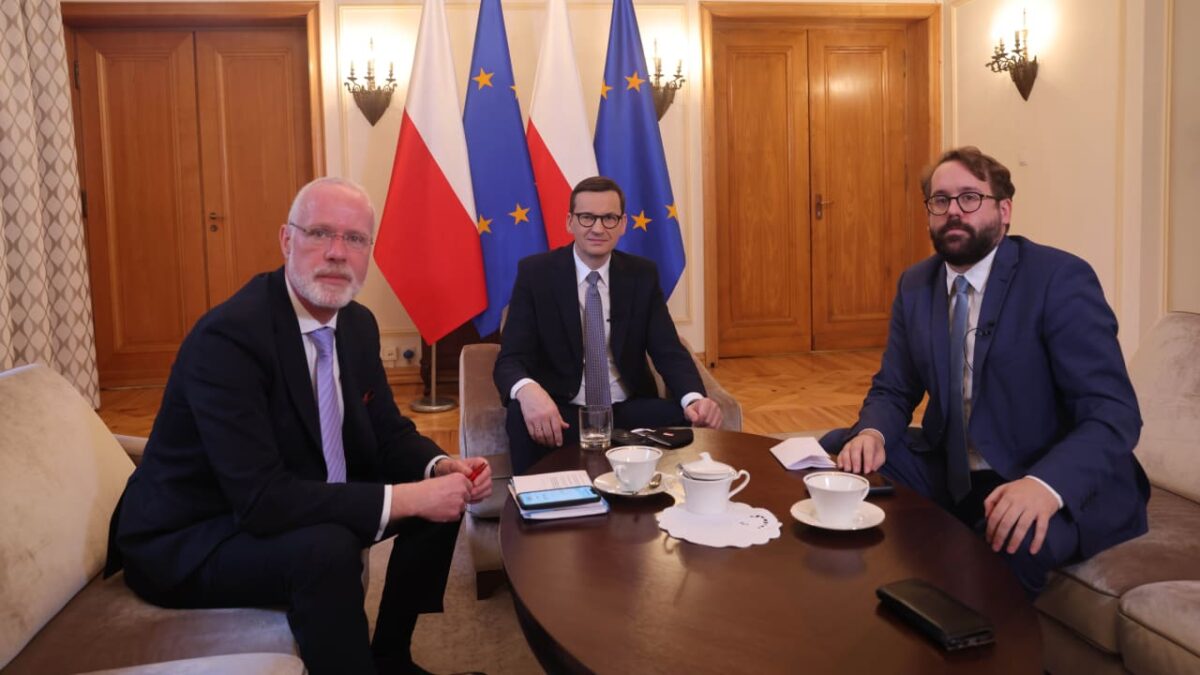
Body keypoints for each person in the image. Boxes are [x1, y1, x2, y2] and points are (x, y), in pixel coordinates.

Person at [104, 177, 492, 675]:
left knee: (445, 497)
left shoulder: (357, 324)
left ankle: (392, 657)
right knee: (327, 548)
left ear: (368, 253)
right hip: (196, 535)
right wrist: (406, 498)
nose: (337, 253)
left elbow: (387, 432)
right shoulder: (228, 338)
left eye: (354, 239)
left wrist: (439, 467)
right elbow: (261, 500)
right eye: (320, 233)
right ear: (286, 240)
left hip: (295, 489)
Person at [822, 146, 1149, 595]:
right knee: (838, 453)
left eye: (970, 197)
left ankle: (972, 635)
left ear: (1004, 211)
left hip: (1044, 469)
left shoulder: (1058, 279)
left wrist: (1044, 484)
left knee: (1014, 538)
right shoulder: (916, 284)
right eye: (940, 200)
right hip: (957, 468)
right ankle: (855, 595)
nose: (954, 211)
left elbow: (1113, 414)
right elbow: (894, 389)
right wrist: (872, 435)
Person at [494, 176, 723, 473]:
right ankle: (533, 498)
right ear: (570, 222)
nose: (598, 228)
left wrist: (694, 399)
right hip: (563, 413)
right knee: (519, 415)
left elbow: (668, 351)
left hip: (627, 410)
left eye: (609, 218)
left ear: (623, 224)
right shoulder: (536, 274)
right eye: (587, 217)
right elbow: (510, 359)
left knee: (688, 419)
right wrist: (528, 391)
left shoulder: (641, 275)